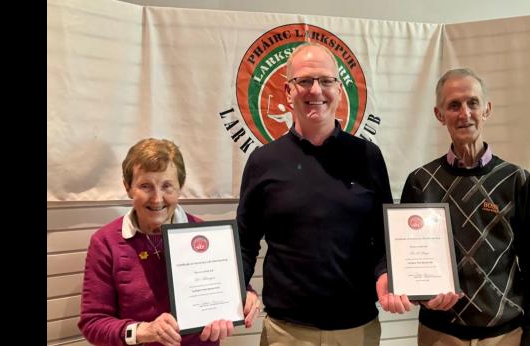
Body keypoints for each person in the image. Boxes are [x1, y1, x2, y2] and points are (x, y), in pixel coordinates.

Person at [236, 42, 393, 346]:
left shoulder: (368, 156)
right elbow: (244, 242)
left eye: (326, 81)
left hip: (357, 331)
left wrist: (386, 272)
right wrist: (239, 285)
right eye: (304, 81)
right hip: (286, 334)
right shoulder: (263, 161)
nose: (316, 91)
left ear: (339, 89)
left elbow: (384, 236)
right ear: (288, 91)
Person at [392, 68, 530, 345]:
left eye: (472, 103)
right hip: (439, 335)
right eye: (454, 105)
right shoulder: (420, 182)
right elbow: (409, 266)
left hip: (505, 336)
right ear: (439, 115)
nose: (464, 113)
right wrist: (423, 296)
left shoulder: (516, 180)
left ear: (486, 109)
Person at [78, 138, 261, 346]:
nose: (157, 199)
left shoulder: (206, 233)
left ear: (180, 187)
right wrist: (141, 331)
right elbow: (92, 323)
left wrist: (246, 298)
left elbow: (233, 286)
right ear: (128, 187)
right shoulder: (106, 242)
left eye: (167, 186)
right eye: (145, 186)